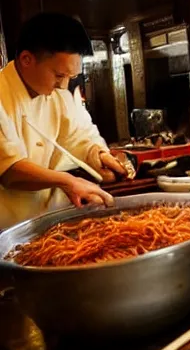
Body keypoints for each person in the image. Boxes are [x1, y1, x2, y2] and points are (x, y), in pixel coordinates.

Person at [0, 12, 126, 229]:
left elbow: (80, 136)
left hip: (54, 220)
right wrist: (67, 181)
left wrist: (99, 155)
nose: (63, 86)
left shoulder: (59, 95)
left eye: (70, 77)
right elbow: (10, 171)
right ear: (27, 59)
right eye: (58, 75)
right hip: (9, 228)